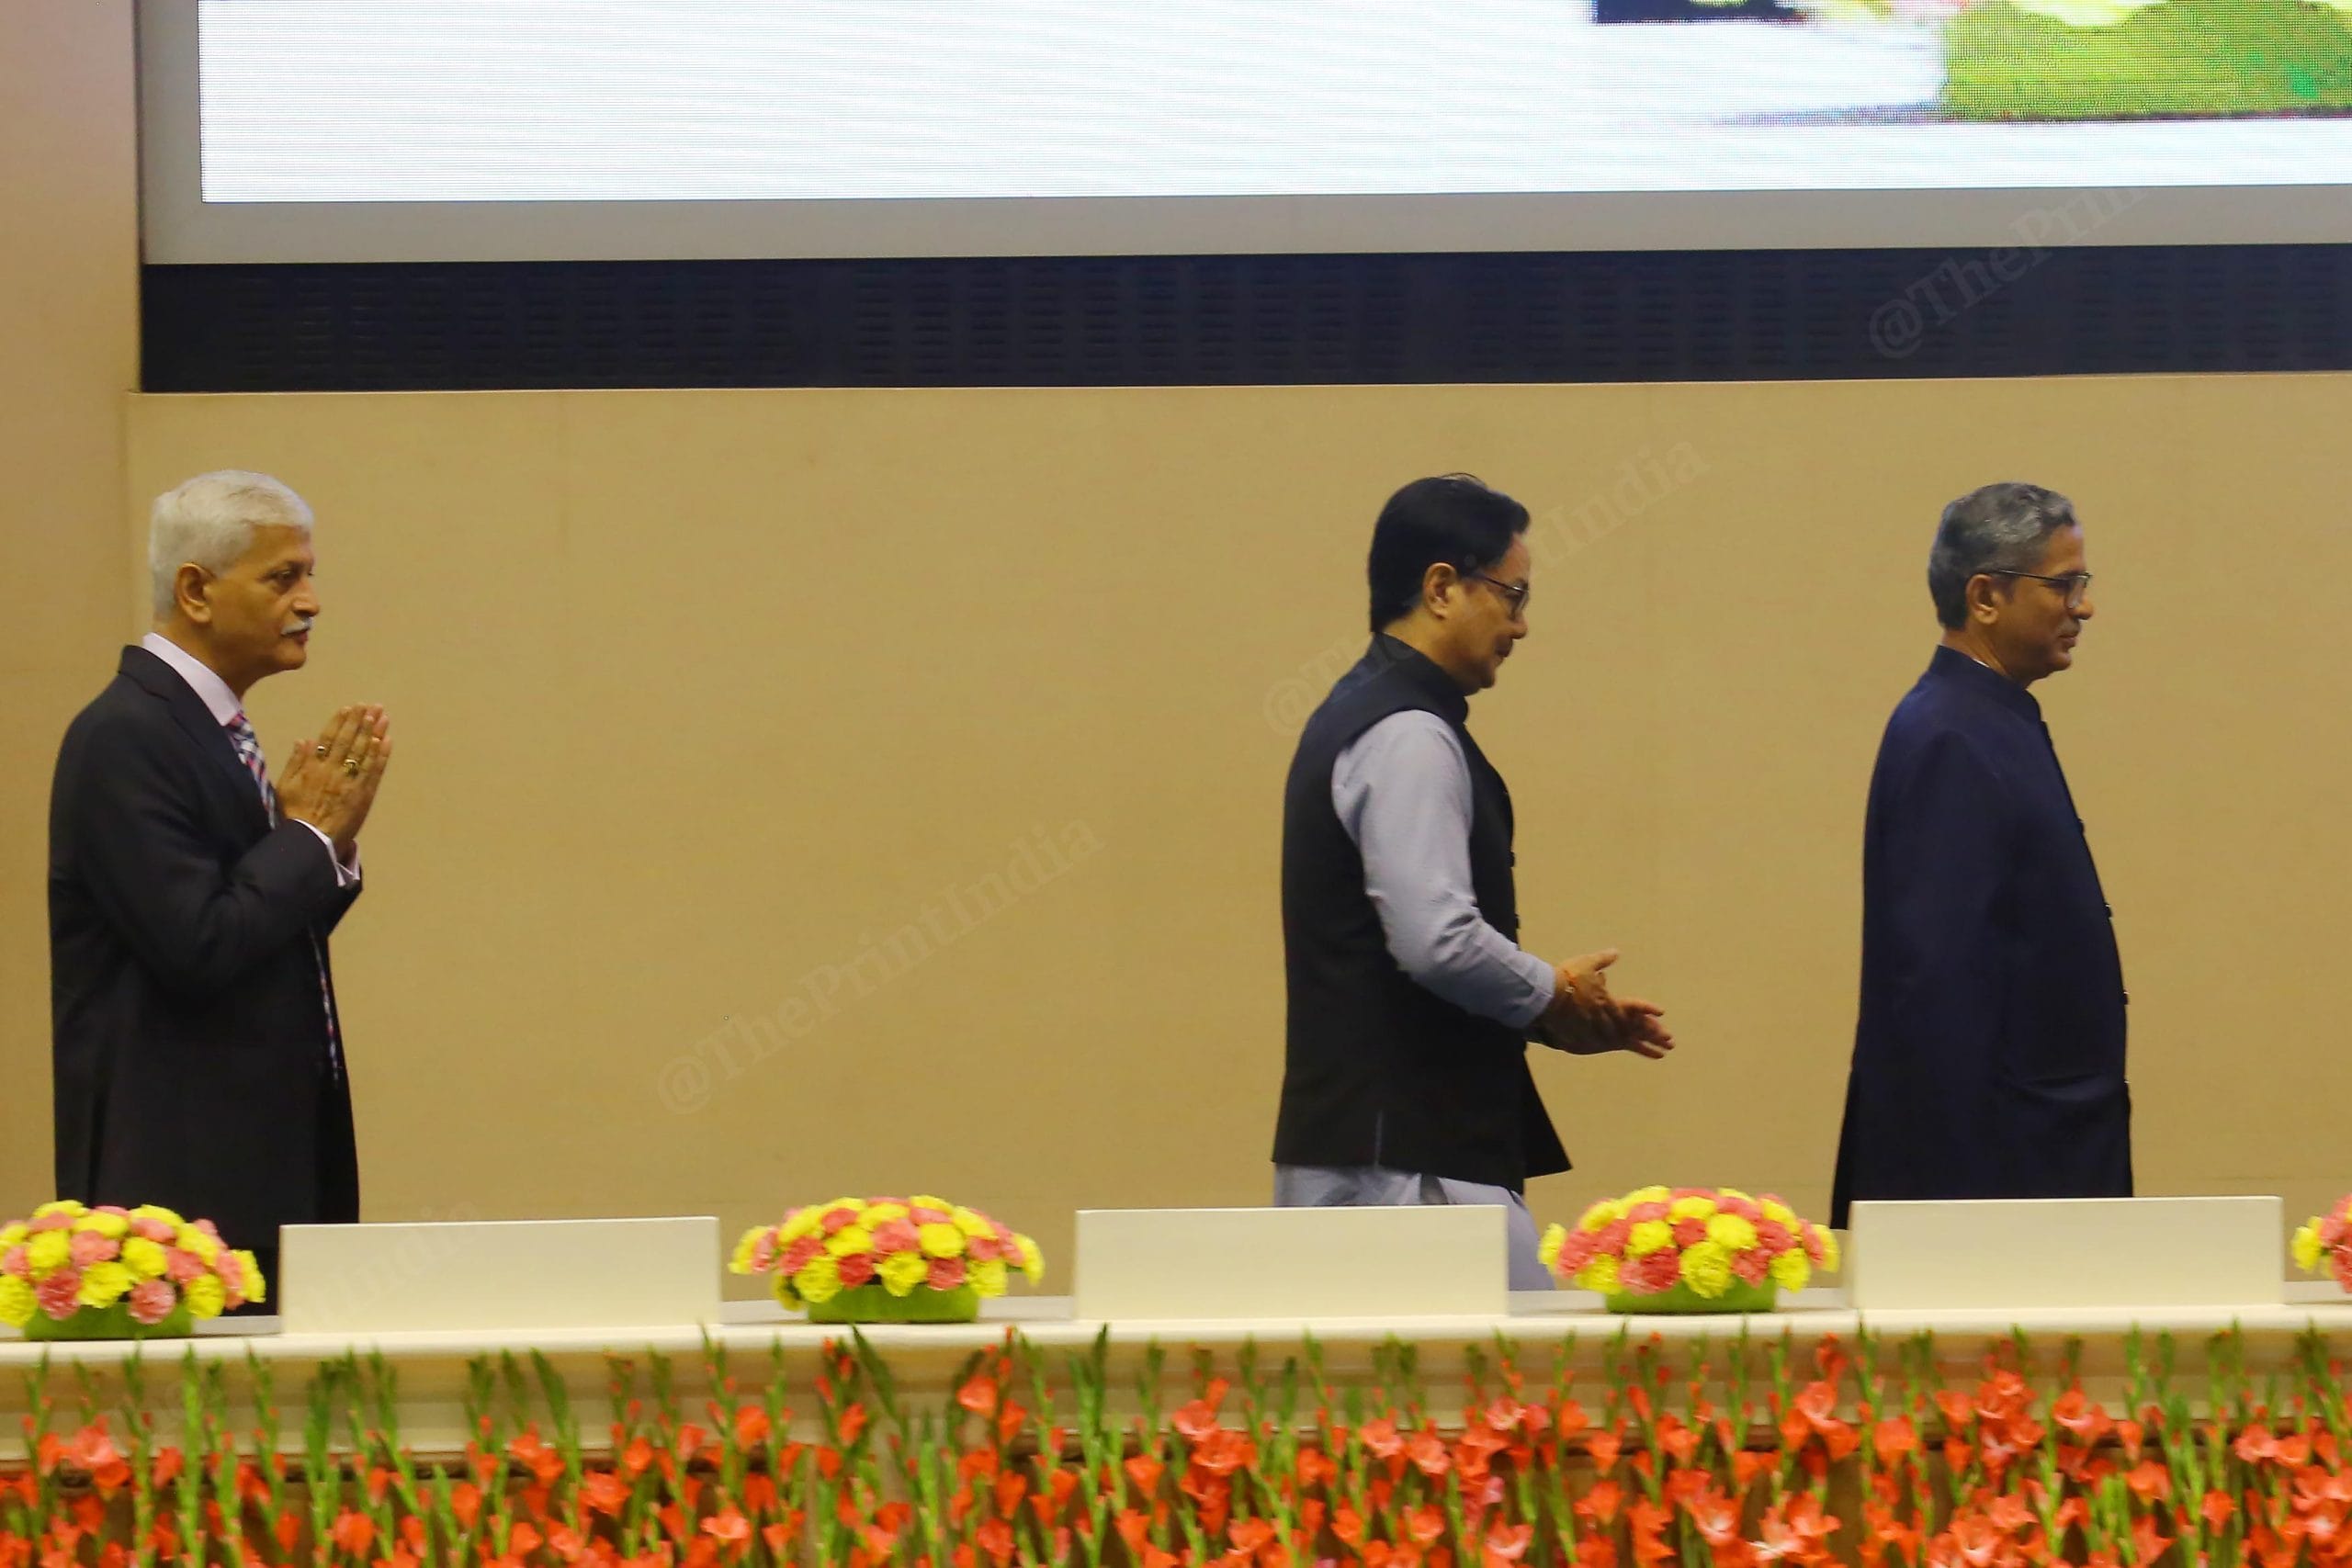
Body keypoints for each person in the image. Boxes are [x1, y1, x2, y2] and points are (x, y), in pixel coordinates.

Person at [1272, 474, 1675, 1291]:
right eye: (1512, 595)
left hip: (1379, 1160)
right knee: (1496, 1411)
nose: (1522, 625)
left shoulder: (1360, 714)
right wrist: (1551, 994)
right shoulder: (1408, 734)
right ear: (1441, 587)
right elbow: (1438, 941)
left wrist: (1548, 1014)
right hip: (1410, 1179)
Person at [50, 470, 392, 1292]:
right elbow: (200, 943)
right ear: (196, 591)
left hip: (253, 1183)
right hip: (183, 1207)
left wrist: (322, 847)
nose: (311, 601)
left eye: (310, 574)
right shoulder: (124, 736)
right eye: (284, 577)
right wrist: (307, 836)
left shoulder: (200, 727)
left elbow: (253, 931)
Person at [1831, 481, 2127, 1228]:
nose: (2083, 607)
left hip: (2032, 1155)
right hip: (1998, 1177)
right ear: (1985, 596)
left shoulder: (1986, 718)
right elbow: (1938, 986)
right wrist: (1957, 1220)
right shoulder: (1952, 737)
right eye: (2063, 585)